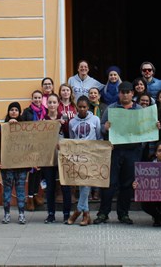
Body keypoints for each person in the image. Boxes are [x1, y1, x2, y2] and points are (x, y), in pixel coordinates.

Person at [94, 81, 143, 225]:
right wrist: (105, 128)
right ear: (119, 94)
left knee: (127, 184)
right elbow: (101, 127)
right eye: (123, 92)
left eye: (128, 92)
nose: (125, 95)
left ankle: (123, 214)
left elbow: (146, 129)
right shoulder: (111, 108)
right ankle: (103, 213)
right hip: (115, 150)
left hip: (132, 150)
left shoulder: (139, 109)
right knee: (110, 182)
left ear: (132, 94)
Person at [67, 95, 102, 226]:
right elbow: (72, 138)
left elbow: (99, 137)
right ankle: (86, 214)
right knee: (82, 183)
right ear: (77, 107)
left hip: (91, 155)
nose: (82, 109)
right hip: (78, 156)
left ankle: (77, 211)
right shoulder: (72, 122)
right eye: (80, 107)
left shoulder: (95, 119)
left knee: (87, 183)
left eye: (84, 107)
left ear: (88, 107)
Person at [0, 102, 29, 225]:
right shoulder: (2, 127)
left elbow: (29, 144)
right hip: (7, 165)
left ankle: (21, 214)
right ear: (8, 112)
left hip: (21, 165)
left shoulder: (25, 127)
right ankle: (6, 214)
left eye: (16, 110)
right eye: (11, 109)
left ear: (19, 112)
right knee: (7, 190)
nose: (14, 112)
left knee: (20, 190)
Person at [42, 93, 71, 223]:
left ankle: (66, 214)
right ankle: (51, 214)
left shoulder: (63, 118)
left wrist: (63, 124)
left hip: (63, 155)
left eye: (54, 102)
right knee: (50, 186)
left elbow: (69, 135)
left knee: (65, 184)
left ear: (58, 104)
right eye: (50, 102)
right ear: (46, 104)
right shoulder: (43, 120)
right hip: (48, 156)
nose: (52, 105)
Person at [21, 89, 47, 211]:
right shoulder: (27, 112)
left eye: (39, 98)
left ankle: (36, 194)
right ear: (32, 99)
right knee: (32, 171)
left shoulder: (45, 111)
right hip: (30, 145)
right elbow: (22, 126)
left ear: (42, 99)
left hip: (42, 145)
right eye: (35, 98)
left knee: (39, 172)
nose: (37, 100)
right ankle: (30, 198)